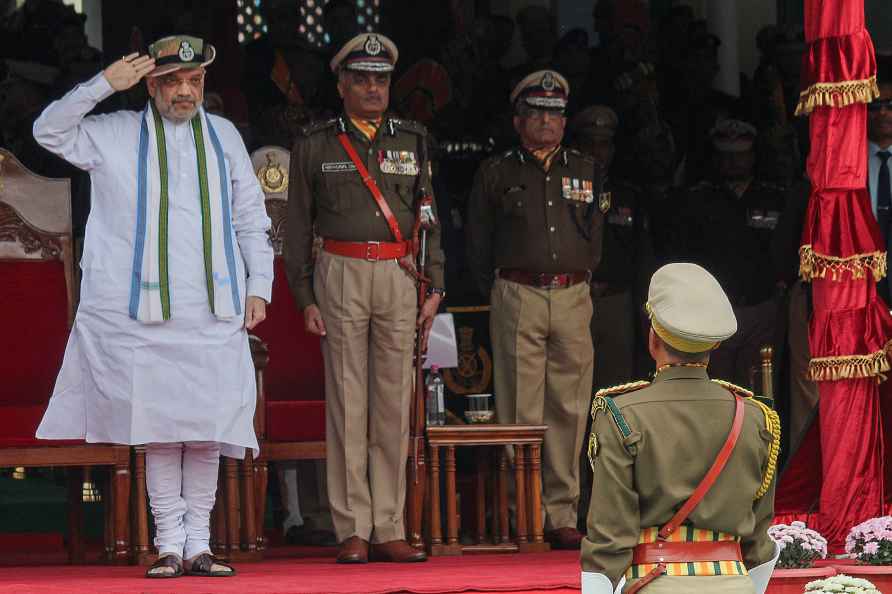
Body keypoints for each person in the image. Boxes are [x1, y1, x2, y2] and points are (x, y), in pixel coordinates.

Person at [32, 35, 273, 578]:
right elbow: (47, 131)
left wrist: (261, 285)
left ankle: (201, 545)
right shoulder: (113, 133)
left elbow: (250, 217)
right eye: (171, 82)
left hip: (214, 309)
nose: (184, 91)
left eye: (193, 81)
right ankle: (169, 543)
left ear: (205, 83)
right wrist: (100, 86)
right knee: (161, 429)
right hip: (142, 318)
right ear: (149, 85)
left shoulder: (225, 135)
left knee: (208, 426)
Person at [284, 32, 444, 564]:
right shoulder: (315, 143)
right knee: (348, 402)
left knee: (394, 401)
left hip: (398, 271)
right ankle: (352, 526)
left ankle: (389, 526)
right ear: (342, 83)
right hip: (341, 269)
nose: (373, 88)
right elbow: (296, 227)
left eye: (381, 79)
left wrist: (434, 283)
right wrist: (304, 294)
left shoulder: (414, 139)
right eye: (362, 79)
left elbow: (428, 216)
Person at [581, 263, 780, 594]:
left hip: (654, 583)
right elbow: (759, 542)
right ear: (714, 345)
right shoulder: (757, 417)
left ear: (652, 337)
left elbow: (608, 537)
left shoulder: (620, 414)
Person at [466, 70, 603, 550]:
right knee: (520, 407)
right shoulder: (497, 170)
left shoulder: (585, 168)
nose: (548, 121)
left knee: (569, 407)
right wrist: (503, 288)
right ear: (518, 119)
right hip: (517, 290)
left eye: (556, 113)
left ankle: (562, 512)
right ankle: (521, 510)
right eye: (538, 112)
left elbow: (595, 238)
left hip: (572, 293)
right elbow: (477, 246)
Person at [671, 120, 786, 388]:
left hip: (761, 308)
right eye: (727, 155)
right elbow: (683, 253)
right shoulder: (697, 200)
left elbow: (785, 249)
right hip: (713, 312)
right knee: (714, 389)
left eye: (740, 155)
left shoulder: (773, 197)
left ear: (753, 156)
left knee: (759, 387)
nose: (734, 162)